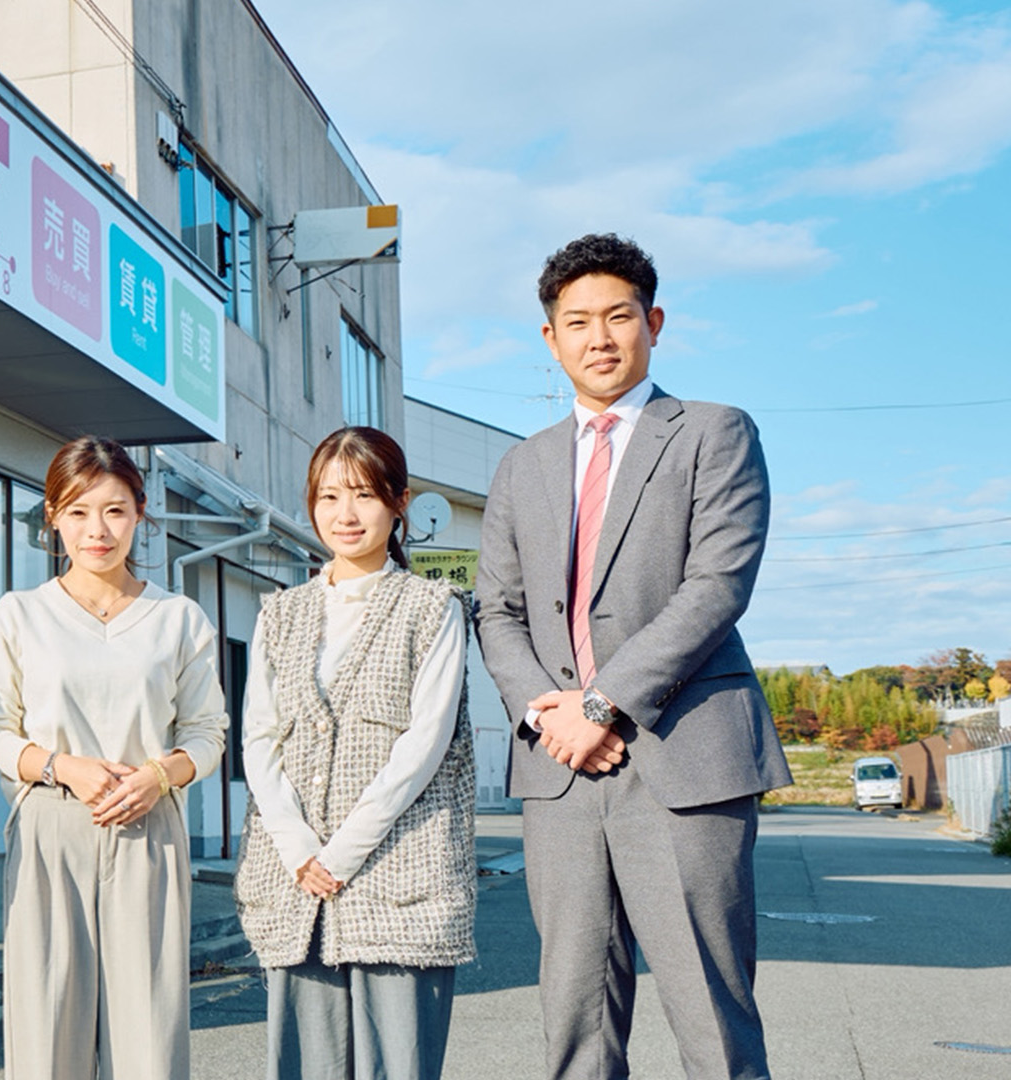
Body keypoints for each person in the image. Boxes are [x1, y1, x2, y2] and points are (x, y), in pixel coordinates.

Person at [475, 234, 791, 1080]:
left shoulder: (714, 432)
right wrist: (549, 712)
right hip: (560, 770)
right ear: (551, 339)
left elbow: (717, 585)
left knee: (710, 1015)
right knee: (574, 1017)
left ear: (653, 323)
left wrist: (602, 704)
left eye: (618, 316)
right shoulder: (522, 464)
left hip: (682, 757)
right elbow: (497, 611)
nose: (600, 338)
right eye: (577, 322)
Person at [0, 435, 227, 1080]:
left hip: (148, 829)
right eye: (78, 511)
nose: (98, 530)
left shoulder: (179, 619)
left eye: (114, 510)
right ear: (53, 515)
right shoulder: (18, 616)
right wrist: (62, 767)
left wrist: (160, 775)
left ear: (140, 512)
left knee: (148, 1031)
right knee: (47, 1025)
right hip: (50, 827)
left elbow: (208, 733)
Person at [234, 426, 475, 1080]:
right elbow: (259, 738)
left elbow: (425, 744)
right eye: (329, 496)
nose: (345, 514)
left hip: (401, 876)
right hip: (297, 882)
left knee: (398, 1063)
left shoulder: (433, 607)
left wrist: (339, 853)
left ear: (399, 503)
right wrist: (297, 847)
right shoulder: (281, 613)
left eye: (364, 494)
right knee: (306, 1065)